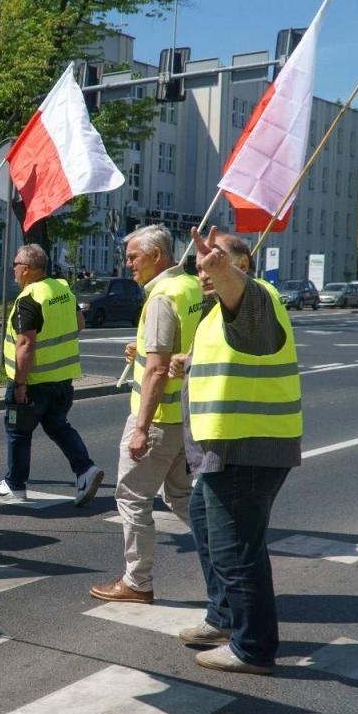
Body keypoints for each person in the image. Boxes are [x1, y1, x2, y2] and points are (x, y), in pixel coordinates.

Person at [170, 229, 299, 676]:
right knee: (209, 533)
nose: (207, 265)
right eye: (204, 260)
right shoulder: (218, 312)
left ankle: (254, 647)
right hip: (219, 448)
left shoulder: (257, 298)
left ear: (244, 265)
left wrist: (226, 273)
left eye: (219, 259)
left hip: (247, 447)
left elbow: (247, 311)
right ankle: (224, 619)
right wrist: (188, 364)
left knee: (236, 550)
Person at [91, 225, 201, 605]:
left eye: (134, 257)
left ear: (157, 256)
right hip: (185, 419)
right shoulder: (191, 287)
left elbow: (156, 369)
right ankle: (227, 553)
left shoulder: (160, 297)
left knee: (133, 497)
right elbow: (181, 347)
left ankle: (137, 581)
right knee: (183, 497)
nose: (128, 264)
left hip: (156, 419)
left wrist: (140, 428)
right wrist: (140, 350)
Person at [0, 243, 104, 505]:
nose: (13, 270)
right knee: (58, 425)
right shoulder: (63, 289)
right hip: (63, 378)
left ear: (26, 269)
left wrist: (20, 383)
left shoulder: (29, 298)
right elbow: (79, 324)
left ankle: (14, 485)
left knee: (18, 431)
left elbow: (25, 344)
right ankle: (85, 469)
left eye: (15, 265)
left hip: (35, 382)